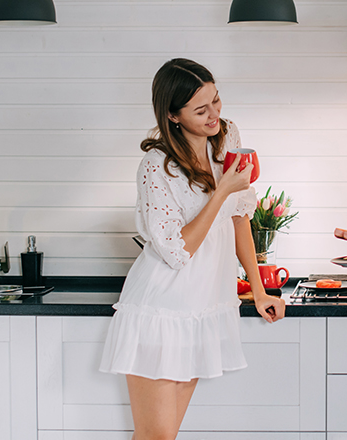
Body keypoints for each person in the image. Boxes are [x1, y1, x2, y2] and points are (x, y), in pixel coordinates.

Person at [100, 58, 285, 439]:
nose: (214, 115)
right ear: (173, 115)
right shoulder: (157, 167)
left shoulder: (227, 141)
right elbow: (176, 250)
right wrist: (221, 192)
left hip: (203, 308)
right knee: (156, 436)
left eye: (216, 101)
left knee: (166, 435)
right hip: (163, 309)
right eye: (201, 110)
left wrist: (259, 288)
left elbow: (239, 219)